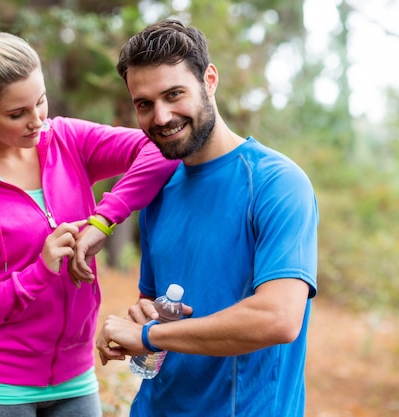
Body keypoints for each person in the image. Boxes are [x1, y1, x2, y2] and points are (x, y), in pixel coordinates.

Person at [0, 32, 178, 417]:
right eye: (16, 113)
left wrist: (104, 220)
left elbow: (160, 148)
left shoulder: (67, 141)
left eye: (40, 101)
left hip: (77, 384)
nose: (37, 121)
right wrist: (36, 274)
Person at [94, 20, 319, 417]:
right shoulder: (160, 188)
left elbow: (279, 317)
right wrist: (144, 315)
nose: (160, 117)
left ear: (209, 79)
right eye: (144, 103)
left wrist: (150, 334)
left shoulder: (276, 182)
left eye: (174, 94)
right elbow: (155, 301)